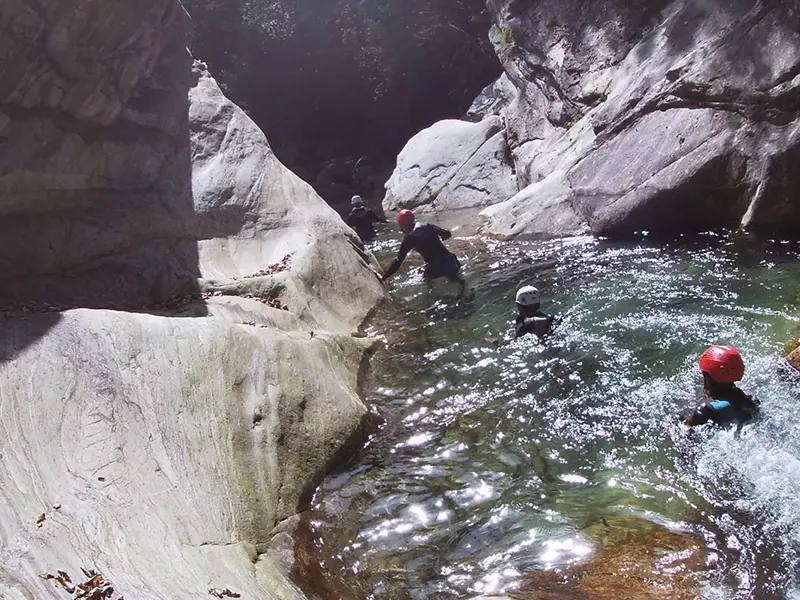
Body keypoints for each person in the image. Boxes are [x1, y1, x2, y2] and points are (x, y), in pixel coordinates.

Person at [380, 209, 466, 292]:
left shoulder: (409, 238)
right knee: (456, 279)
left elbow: (398, 261)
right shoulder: (426, 225)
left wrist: (384, 277)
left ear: (401, 224)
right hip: (450, 260)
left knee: (426, 279)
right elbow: (447, 233)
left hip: (436, 267)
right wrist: (442, 238)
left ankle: (433, 295)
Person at [683, 345, 759, 427]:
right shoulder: (747, 401)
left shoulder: (705, 410)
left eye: (704, 374)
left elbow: (687, 435)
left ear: (708, 377)